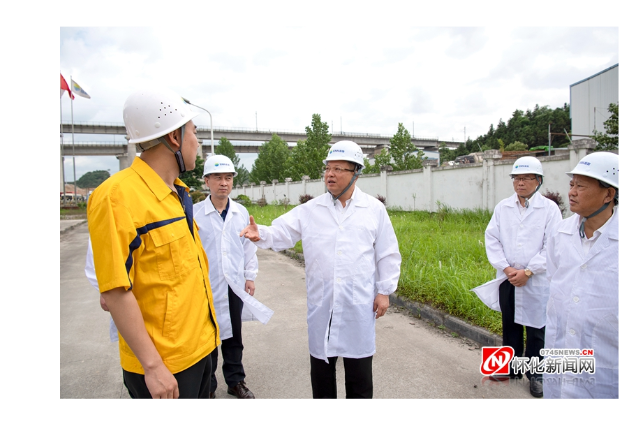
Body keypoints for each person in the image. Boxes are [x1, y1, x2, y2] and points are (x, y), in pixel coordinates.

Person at [240, 140, 401, 399]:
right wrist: (262, 234)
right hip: (323, 303)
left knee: (359, 374)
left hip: (357, 304)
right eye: (328, 168)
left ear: (355, 173)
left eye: (338, 168)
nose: (330, 174)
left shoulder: (374, 209)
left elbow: (388, 253)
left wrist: (384, 291)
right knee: (322, 374)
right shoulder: (311, 209)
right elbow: (283, 232)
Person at [86, 87, 220, 399]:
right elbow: (115, 290)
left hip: (201, 349)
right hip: (165, 366)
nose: (197, 143)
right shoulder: (116, 197)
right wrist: (153, 367)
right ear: (174, 137)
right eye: (193, 133)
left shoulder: (178, 192)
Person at [193, 154, 273, 400]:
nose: (223, 183)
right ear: (207, 181)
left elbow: (248, 247)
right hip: (204, 285)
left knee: (234, 336)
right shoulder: (194, 214)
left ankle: (235, 381)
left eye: (228, 177)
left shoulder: (240, 212)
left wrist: (250, 276)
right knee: (207, 337)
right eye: (217, 177)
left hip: (233, 285)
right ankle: (208, 386)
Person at [484, 156, 562, 398]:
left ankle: (536, 374)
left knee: (537, 328)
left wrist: (528, 271)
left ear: (538, 181)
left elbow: (553, 245)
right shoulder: (502, 207)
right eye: (517, 178)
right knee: (510, 325)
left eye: (527, 178)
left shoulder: (549, 210)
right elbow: (492, 238)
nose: (521, 183)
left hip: (536, 279)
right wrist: (507, 269)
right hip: (508, 277)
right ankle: (509, 366)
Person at [543, 151, 619, 399]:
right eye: (571, 184)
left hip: (606, 361)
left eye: (581, 186)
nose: (572, 192)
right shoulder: (560, 232)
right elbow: (555, 277)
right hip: (561, 350)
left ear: (609, 194)